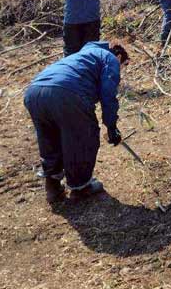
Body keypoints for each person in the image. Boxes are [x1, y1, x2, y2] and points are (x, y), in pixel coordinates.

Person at [23, 41, 129, 203]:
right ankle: (81, 187)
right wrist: (111, 126)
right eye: (124, 65)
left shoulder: (82, 55)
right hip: (66, 93)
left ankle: (52, 187)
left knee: (49, 138)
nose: (121, 69)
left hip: (34, 92)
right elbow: (108, 94)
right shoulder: (110, 58)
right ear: (119, 56)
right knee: (83, 137)